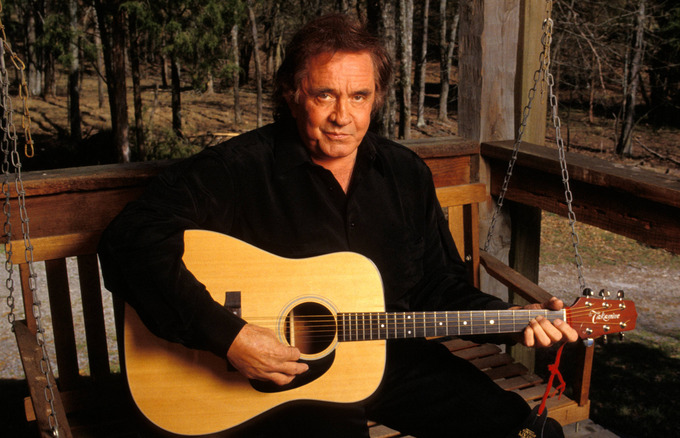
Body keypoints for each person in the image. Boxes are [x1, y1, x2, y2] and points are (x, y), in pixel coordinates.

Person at [98, 14, 578, 438]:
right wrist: (230, 337)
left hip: (390, 360)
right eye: (324, 94)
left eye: (359, 96)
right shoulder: (237, 169)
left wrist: (514, 324)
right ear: (292, 94)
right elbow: (129, 241)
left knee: (523, 430)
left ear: (377, 98)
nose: (341, 117)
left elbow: (439, 285)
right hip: (278, 382)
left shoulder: (405, 174)